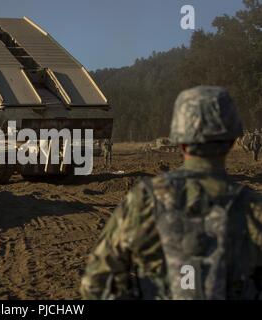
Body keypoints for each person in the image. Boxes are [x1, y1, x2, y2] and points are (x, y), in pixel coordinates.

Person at [81, 86, 262, 300]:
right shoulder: (254, 208)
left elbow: (96, 284)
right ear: (233, 140)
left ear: (179, 140)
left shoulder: (146, 200)